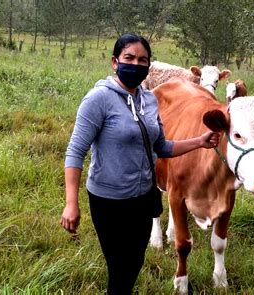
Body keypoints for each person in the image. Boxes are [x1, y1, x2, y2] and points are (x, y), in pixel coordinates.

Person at [60, 33, 220, 294]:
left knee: (135, 261)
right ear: (115, 62)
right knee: (119, 267)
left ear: (148, 65)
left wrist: (199, 141)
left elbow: (161, 147)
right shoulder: (98, 99)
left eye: (142, 60)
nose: (135, 64)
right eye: (129, 58)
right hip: (108, 200)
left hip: (143, 198)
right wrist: (71, 203)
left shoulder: (149, 100)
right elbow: (75, 151)